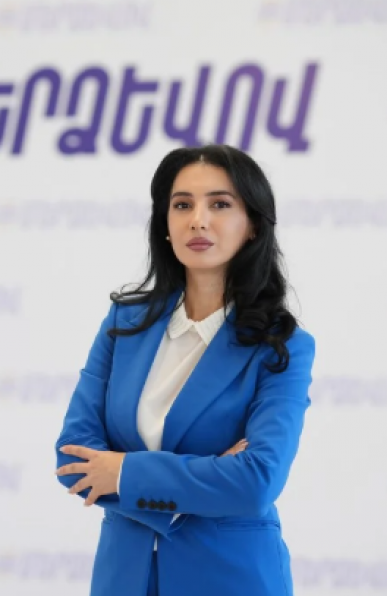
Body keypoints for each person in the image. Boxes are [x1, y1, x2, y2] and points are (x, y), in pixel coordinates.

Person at [54, 144, 316, 596]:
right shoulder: (124, 324)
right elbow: (74, 459)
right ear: (165, 223)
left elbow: (255, 482)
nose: (198, 220)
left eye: (220, 204)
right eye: (182, 205)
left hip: (231, 578)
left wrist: (123, 472)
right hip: (123, 579)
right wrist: (207, 478)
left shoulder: (282, 345)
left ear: (253, 224)